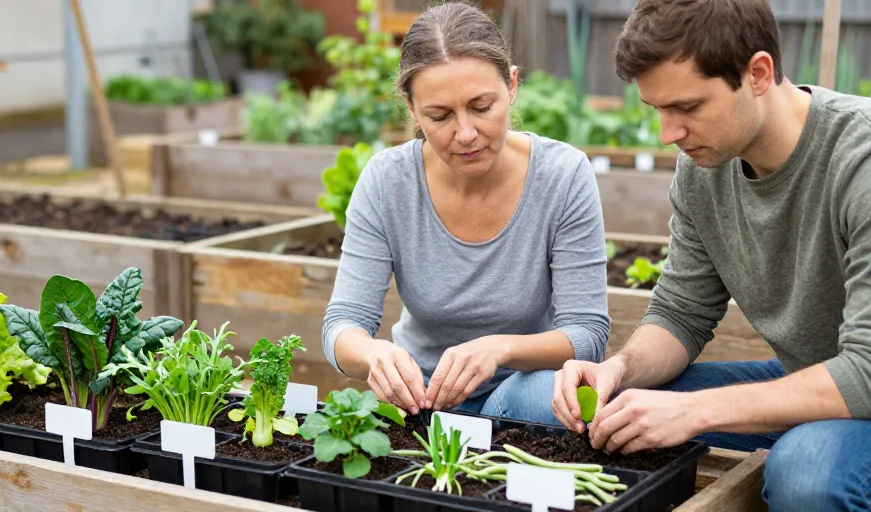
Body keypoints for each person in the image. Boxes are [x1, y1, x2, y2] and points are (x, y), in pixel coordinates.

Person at [546, 0, 871, 510]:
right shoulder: (703, 170)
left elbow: (866, 373)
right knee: (573, 408)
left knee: (807, 475)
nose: (667, 134)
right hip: (812, 382)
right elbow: (681, 312)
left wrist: (697, 411)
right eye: (658, 110)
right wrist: (620, 370)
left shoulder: (860, 160)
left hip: (861, 389)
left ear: (758, 73)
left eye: (688, 108)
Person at [320, 2, 611, 422]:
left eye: (482, 106)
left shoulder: (562, 175)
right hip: (421, 397)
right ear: (412, 109)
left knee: (533, 400)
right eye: (440, 116)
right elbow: (342, 324)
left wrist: (500, 349)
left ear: (511, 86)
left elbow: (588, 335)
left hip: (527, 396)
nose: (466, 133)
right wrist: (374, 355)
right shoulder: (388, 181)